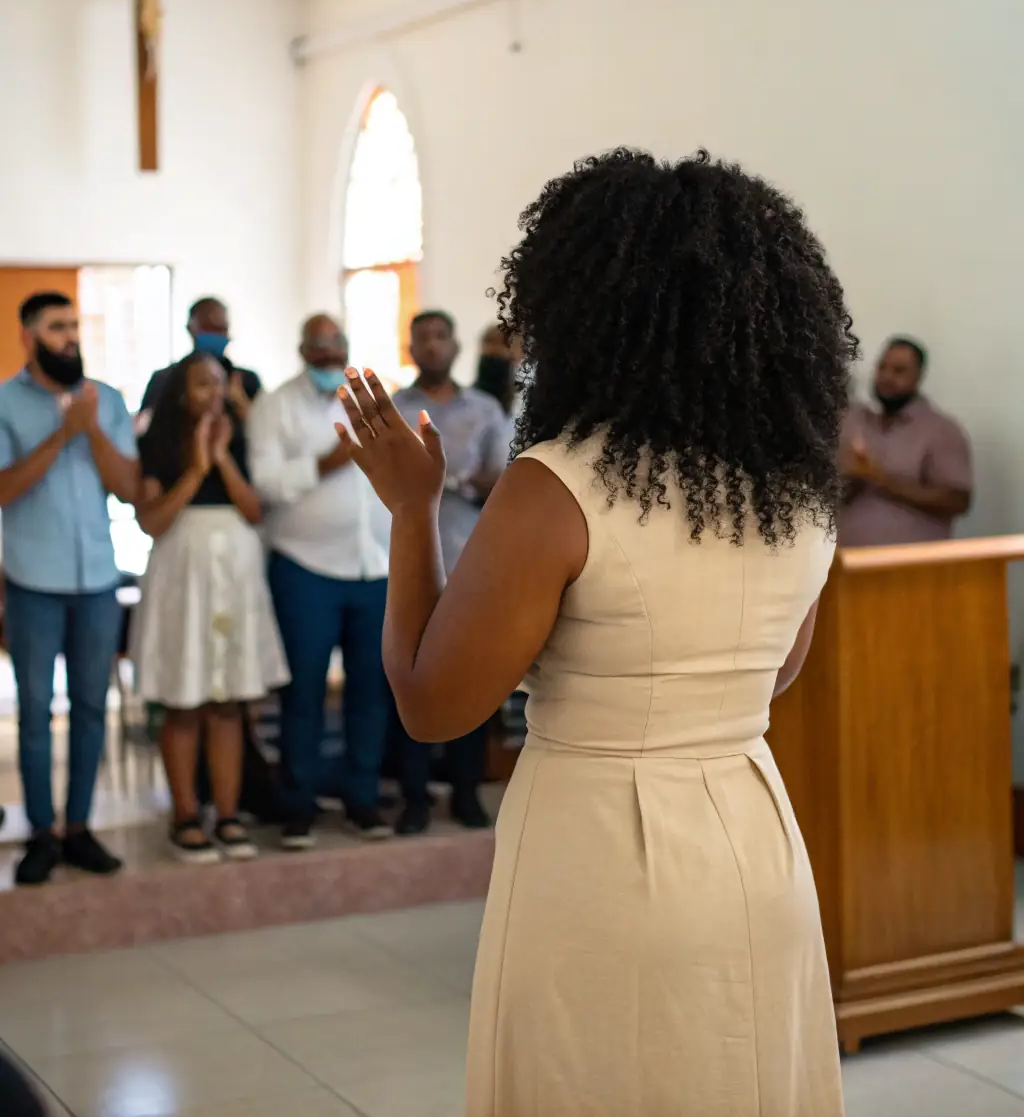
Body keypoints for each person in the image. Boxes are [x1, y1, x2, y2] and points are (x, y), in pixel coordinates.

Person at [335, 148, 853, 1117]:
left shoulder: (558, 485)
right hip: (755, 843)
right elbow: (778, 670)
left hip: (604, 854)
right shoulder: (794, 491)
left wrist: (411, 508)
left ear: (586, 316)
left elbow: (433, 705)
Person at [0, 292, 138, 886]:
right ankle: (41, 832)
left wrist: (91, 431)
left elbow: (129, 487)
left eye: (75, 325)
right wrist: (62, 435)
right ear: (29, 337)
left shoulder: (106, 400)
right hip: (32, 580)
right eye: (58, 327)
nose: (71, 337)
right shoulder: (5, 402)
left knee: (91, 708)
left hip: (99, 581)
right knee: (35, 712)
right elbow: (3, 489)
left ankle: (79, 827)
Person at [133, 352, 289, 863]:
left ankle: (227, 814)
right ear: (182, 393)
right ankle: (184, 814)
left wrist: (221, 458)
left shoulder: (243, 438)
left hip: (235, 574)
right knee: (184, 703)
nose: (215, 393)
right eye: (203, 384)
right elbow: (152, 521)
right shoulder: (157, 441)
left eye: (220, 384)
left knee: (228, 702)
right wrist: (197, 468)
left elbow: (254, 510)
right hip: (182, 575)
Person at [248, 315, 392, 846]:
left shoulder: (372, 399)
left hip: (374, 566)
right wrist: (325, 463)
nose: (331, 354)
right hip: (305, 568)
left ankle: (363, 799)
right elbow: (265, 483)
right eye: (320, 345)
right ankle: (298, 806)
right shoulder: (275, 406)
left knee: (370, 690)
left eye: (338, 344)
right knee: (303, 693)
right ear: (303, 350)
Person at [390, 312, 508, 835]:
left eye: (441, 337)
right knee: (410, 678)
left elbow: (501, 479)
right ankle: (414, 797)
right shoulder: (396, 410)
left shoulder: (484, 409)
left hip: (468, 560)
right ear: (411, 348)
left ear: (455, 346)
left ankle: (466, 791)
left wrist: (454, 481)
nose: (433, 346)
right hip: (408, 563)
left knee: (470, 679)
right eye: (424, 339)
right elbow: (386, 479)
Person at [839, 337, 972, 546]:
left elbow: (957, 500)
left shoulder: (941, 430)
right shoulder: (855, 422)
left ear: (918, 376)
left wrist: (880, 478)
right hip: (846, 559)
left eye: (899, 370)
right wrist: (850, 478)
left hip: (912, 562)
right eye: (882, 368)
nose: (887, 377)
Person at [139, 297, 261, 425]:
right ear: (191, 328)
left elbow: (264, 429)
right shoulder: (164, 380)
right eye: (209, 328)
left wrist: (241, 403)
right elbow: (146, 426)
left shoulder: (246, 380)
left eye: (222, 329)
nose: (216, 335)